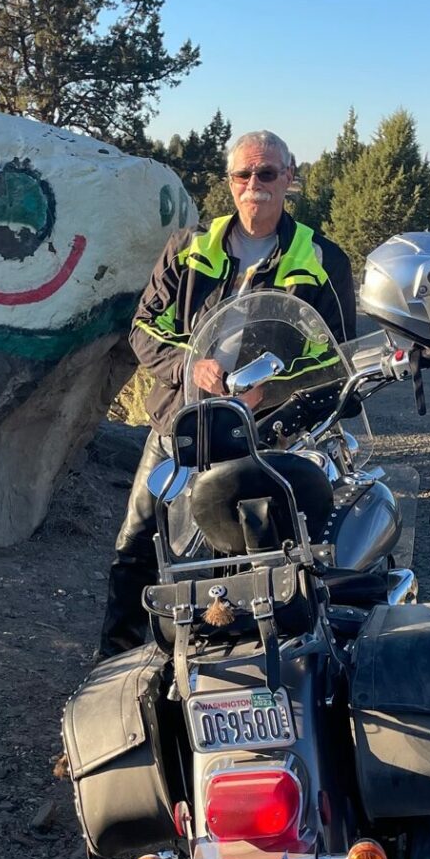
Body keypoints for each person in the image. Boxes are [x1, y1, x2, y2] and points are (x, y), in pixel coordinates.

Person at [95, 130, 357, 660]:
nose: (254, 183)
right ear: (230, 182)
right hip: (182, 426)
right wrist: (191, 365)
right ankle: (112, 670)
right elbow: (144, 327)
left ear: (289, 177)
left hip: (265, 436)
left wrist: (272, 389)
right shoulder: (190, 247)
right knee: (137, 548)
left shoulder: (322, 258)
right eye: (244, 174)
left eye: (267, 172)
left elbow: (337, 359)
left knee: (256, 561)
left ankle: (247, 670)